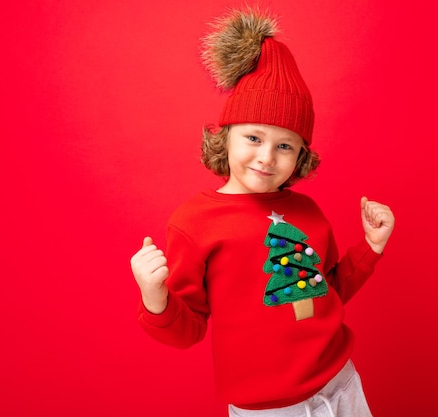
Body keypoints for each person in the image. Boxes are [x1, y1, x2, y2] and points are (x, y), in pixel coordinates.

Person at [130, 7, 395, 417]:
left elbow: (324, 293)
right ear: (226, 136)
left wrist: (370, 249)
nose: (267, 157)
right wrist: (154, 296)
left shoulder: (306, 211)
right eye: (253, 137)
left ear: (300, 155)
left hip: (341, 382)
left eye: (285, 145)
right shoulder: (193, 222)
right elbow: (188, 330)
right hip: (267, 408)